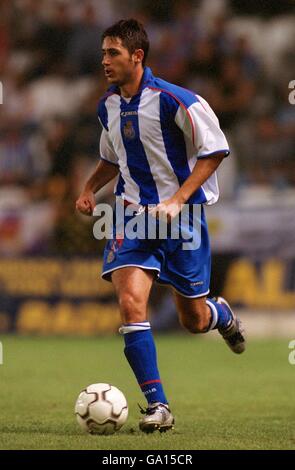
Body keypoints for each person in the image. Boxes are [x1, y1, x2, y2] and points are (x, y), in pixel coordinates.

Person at [76, 19, 246, 433]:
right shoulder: (107, 106)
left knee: (192, 320)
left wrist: (178, 198)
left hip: (182, 219)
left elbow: (215, 150)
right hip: (129, 217)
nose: (105, 61)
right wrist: (89, 189)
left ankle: (219, 315)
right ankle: (159, 406)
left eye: (112, 53)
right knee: (131, 303)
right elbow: (112, 158)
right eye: (102, 53)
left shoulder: (177, 100)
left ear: (137, 56)